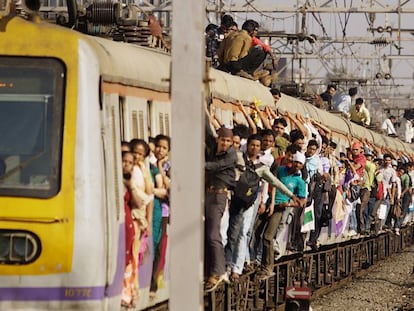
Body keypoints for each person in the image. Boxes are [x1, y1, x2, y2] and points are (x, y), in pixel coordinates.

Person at [255, 151, 306, 278]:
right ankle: (255, 260)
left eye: (300, 163)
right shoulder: (281, 170)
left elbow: (301, 202)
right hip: (269, 203)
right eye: (295, 162)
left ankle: (268, 267)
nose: (297, 165)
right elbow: (273, 185)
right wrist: (270, 202)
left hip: (280, 208)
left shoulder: (299, 182)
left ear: (302, 166)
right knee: (256, 231)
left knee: (268, 236)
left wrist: (287, 204)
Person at [204, 126, 238, 291]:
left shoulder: (231, 155)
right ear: (218, 139)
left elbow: (214, 166)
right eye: (223, 140)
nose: (225, 143)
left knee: (213, 235)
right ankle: (211, 270)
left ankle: (218, 271)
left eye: (228, 141)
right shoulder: (213, 144)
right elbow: (207, 129)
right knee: (207, 234)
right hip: (208, 194)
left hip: (219, 196)